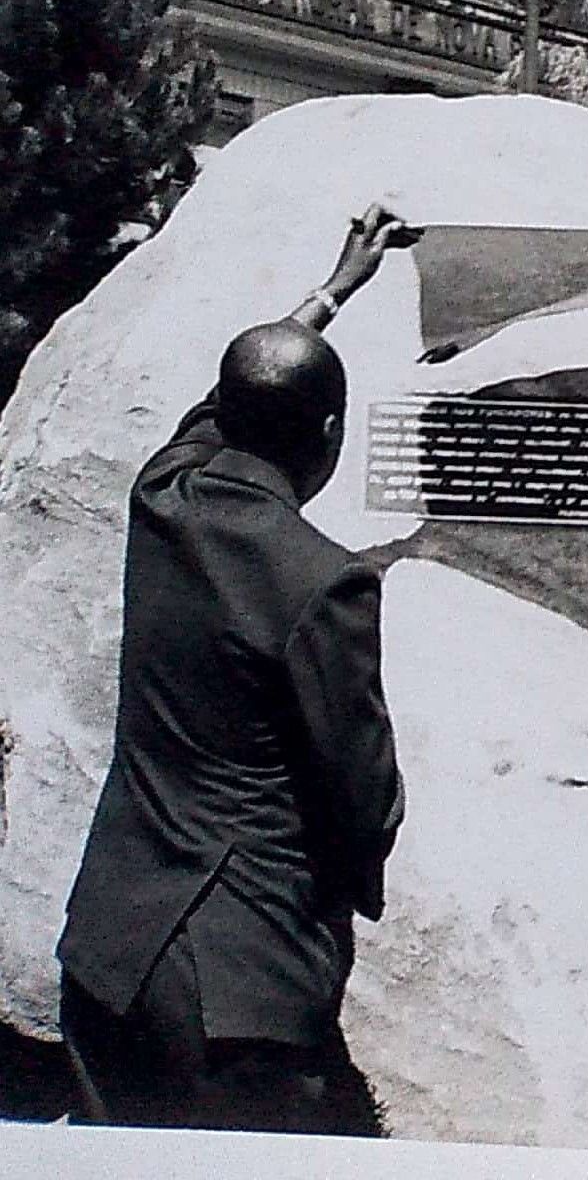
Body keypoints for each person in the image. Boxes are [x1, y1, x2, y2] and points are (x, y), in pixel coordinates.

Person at [58, 205, 417, 1134]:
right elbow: (362, 792)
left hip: (108, 954)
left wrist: (332, 292)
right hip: (240, 990)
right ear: (331, 434)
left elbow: (224, 402)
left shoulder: (162, 494)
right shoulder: (324, 580)